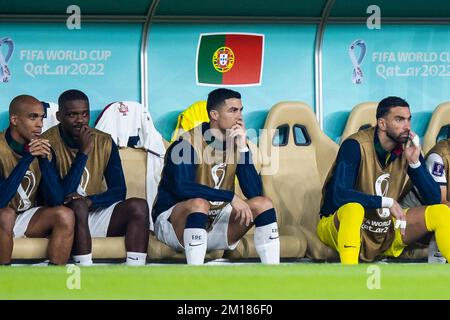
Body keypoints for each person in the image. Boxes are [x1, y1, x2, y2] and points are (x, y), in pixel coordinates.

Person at [152, 88, 280, 265]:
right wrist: (229, 196)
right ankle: (195, 275)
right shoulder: (186, 144)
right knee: (199, 203)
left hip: (216, 220)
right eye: (233, 110)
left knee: (263, 203)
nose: (239, 117)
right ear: (214, 114)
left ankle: (274, 272)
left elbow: (254, 192)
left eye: (241, 110)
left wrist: (243, 148)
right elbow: (182, 188)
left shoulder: (237, 143)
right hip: (175, 225)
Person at [317, 96, 450, 264]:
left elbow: (434, 199)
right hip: (340, 226)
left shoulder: (408, 148)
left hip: (383, 227)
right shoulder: (354, 146)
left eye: (409, 120)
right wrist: (385, 202)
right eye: (399, 120)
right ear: (382, 123)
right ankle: (348, 278)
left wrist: (415, 163)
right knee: (353, 209)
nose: (407, 127)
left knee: (442, 212)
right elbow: (339, 195)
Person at [42, 89, 149, 266]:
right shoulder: (47, 143)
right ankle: (84, 269)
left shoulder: (104, 141)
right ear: (59, 116)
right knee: (77, 206)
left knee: (138, 205)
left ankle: (136, 271)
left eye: (85, 114)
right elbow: (58, 198)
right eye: (72, 115)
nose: (80, 121)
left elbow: (119, 190)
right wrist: (83, 152)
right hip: (63, 219)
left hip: (93, 211)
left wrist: (90, 201)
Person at [0, 95, 74, 266]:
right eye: (33, 117)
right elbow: (1, 201)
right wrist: (27, 159)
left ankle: (53, 280)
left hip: (24, 217)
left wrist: (43, 160)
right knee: (6, 214)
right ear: (14, 119)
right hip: (3, 216)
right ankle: (4, 279)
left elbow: (56, 200)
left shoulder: (43, 148)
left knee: (65, 214)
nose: (40, 124)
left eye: (41, 117)